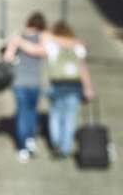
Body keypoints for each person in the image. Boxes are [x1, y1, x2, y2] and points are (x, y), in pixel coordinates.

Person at [10, 20, 94, 158]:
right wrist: (88, 87)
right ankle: (65, 148)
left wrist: (19, 41)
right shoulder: (77, 46)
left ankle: (56, 143)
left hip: (57, 85)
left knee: (55, 115)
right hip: (73, 86)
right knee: (69, 118)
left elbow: (34, 49)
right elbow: (82, 68)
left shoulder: (52, 44)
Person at [3, 12, 46, 163]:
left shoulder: (17, 36)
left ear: (28, 22)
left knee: (22, 113)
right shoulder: (42, 37)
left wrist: (18, 43)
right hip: (34, 82)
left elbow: (7, 57)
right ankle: (29, 140)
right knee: (31, 112)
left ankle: (23, 146)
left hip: (19, 82)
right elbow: (42, 51)